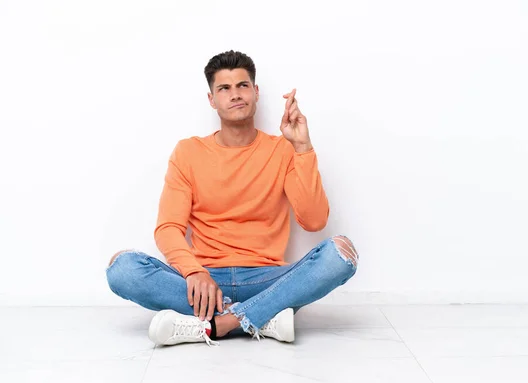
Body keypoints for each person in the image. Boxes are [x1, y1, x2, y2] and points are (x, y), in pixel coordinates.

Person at [106, 50, 358, 347]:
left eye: (242, 85)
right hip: (205, 281)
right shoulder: (189, 152)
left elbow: (314, 221)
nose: (235, 94)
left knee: (341, 253)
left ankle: (220, 323)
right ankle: (263, 319)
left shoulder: (284, 149)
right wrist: (194, 272)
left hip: (267, 280)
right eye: (224, 88)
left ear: (256, 92)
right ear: (212, 100)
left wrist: (302, 147)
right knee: (122, 268)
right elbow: (168, 228)